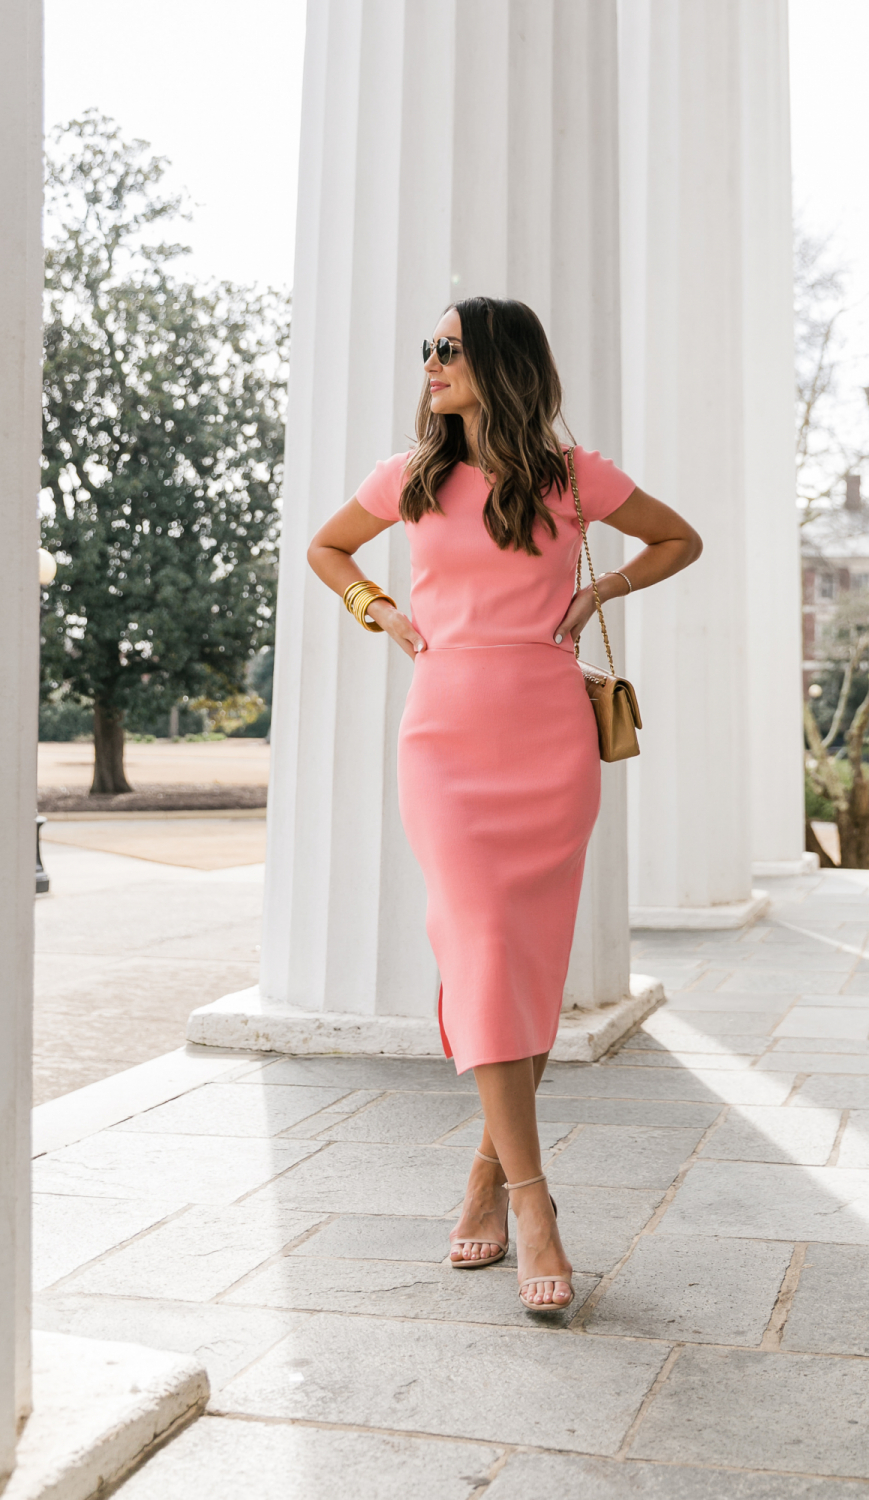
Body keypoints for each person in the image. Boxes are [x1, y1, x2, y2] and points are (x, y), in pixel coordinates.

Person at [307, 297, 701, 1313]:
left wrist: (596, 592)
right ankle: (534, 1199)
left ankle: (485, 1171)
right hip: (444, 740)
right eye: (426, 350)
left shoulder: (574, 477)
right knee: (479, 948)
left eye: (447, 348)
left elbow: (676, 540)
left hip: (547, 736)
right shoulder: (408, 480)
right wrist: (377, 609)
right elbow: (327, 549)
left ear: (497, 361)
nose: (430, 364)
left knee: (523, 961)